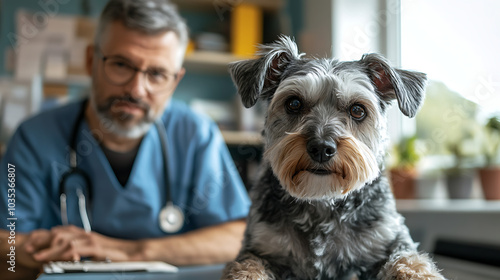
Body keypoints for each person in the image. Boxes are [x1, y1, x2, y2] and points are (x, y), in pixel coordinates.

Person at [0, 0, 251, 278]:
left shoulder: (196, 135)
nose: (136, 90)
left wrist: (130, 251)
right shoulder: (34, 138)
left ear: (175, 81)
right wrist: (22, 251)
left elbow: (240, 236)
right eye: (121, 64)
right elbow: (7, 249)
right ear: (90, 61)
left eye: (156, 74)